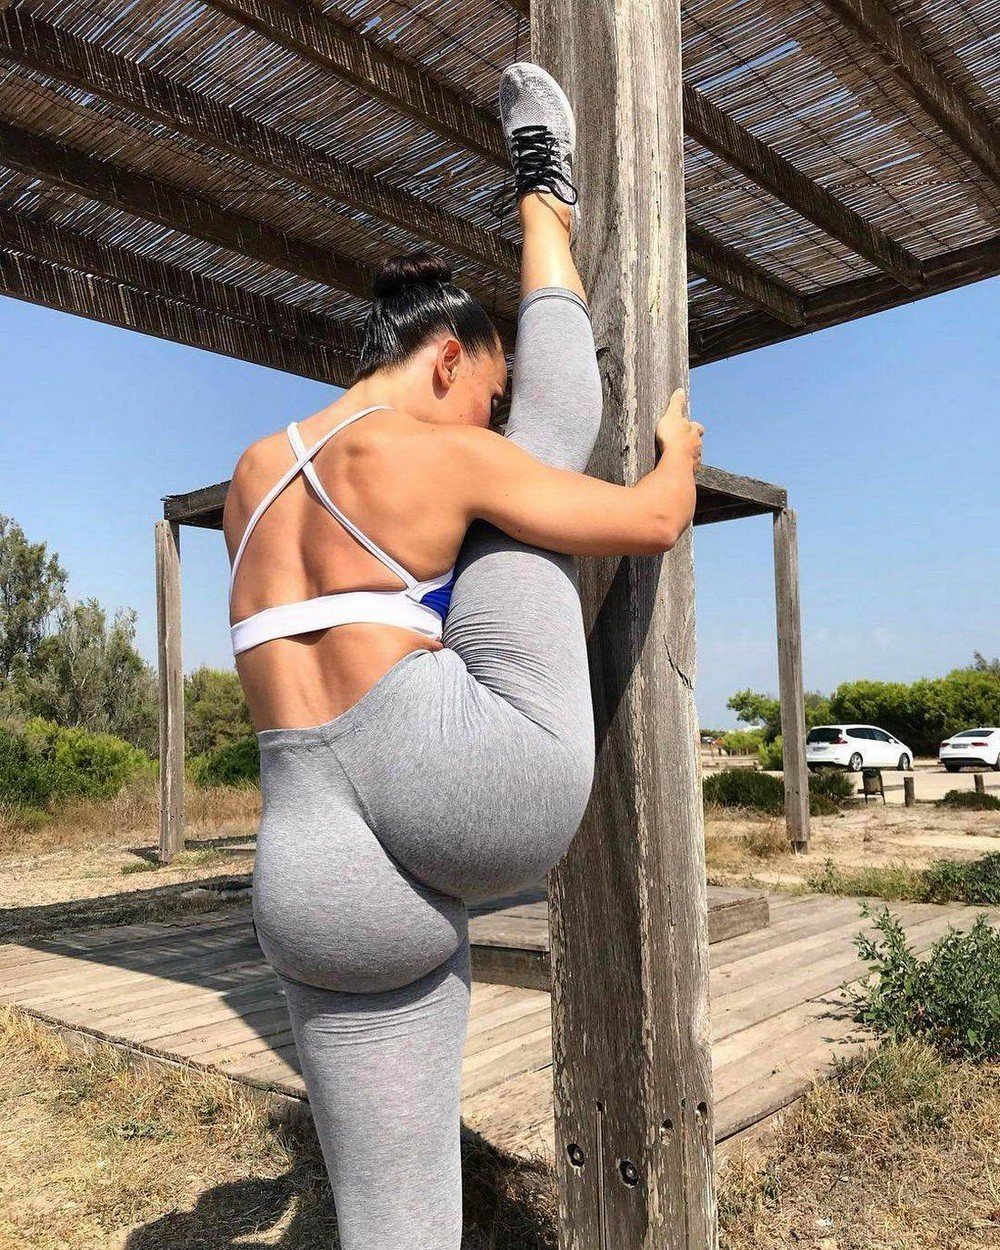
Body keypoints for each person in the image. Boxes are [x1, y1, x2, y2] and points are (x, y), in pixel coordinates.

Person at [223, 61, 703, 1250]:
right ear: (447, 361)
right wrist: (678, 451)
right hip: (481, 783)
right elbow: (650, 521)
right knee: (548, 446)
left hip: (304, 855)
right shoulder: (437, 450)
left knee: (393, 1222)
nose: (486, 421)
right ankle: (546, 202)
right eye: (484, 395)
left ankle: (544, 196)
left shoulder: (249, 473)